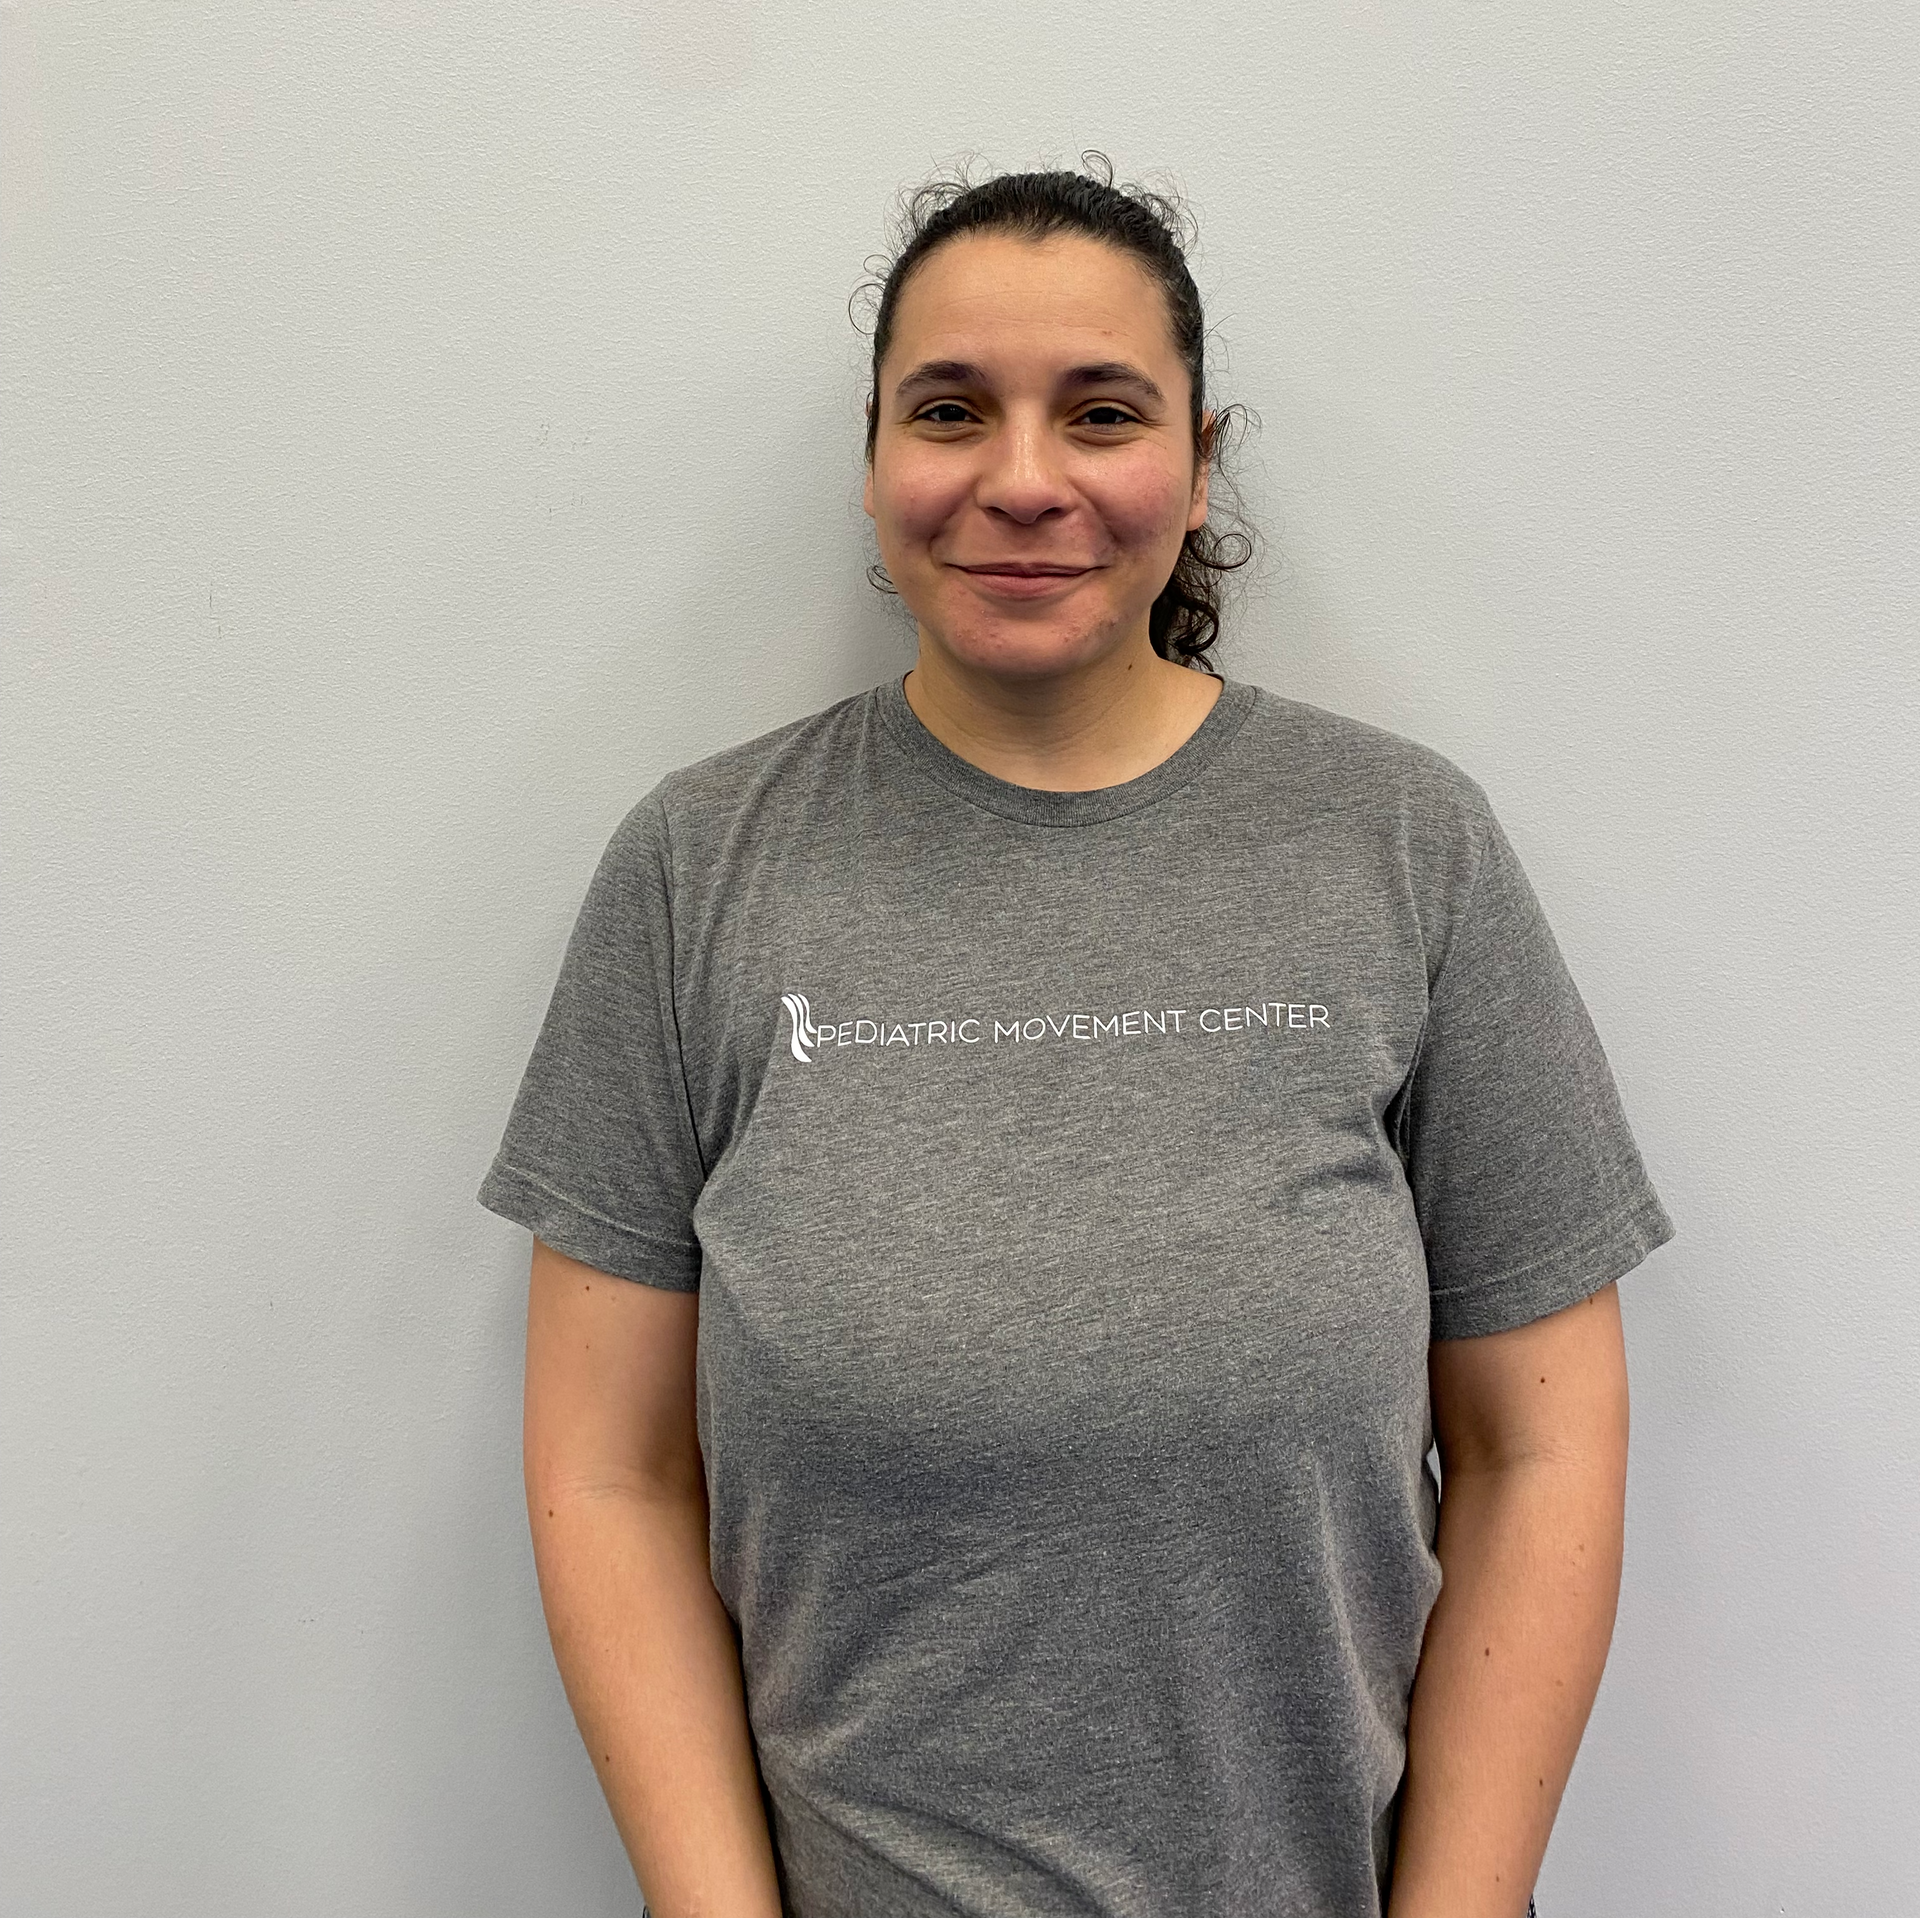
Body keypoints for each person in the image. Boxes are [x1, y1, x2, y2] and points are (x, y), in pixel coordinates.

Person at [479, 160, 1674, 1919]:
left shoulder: (1405, 849)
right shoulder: (697, 870)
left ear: (1197, 465)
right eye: (950, 409)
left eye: (1102, 413)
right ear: (875, 461)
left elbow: (1541, 1448)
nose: (1024, 478)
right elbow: (610, 1469)